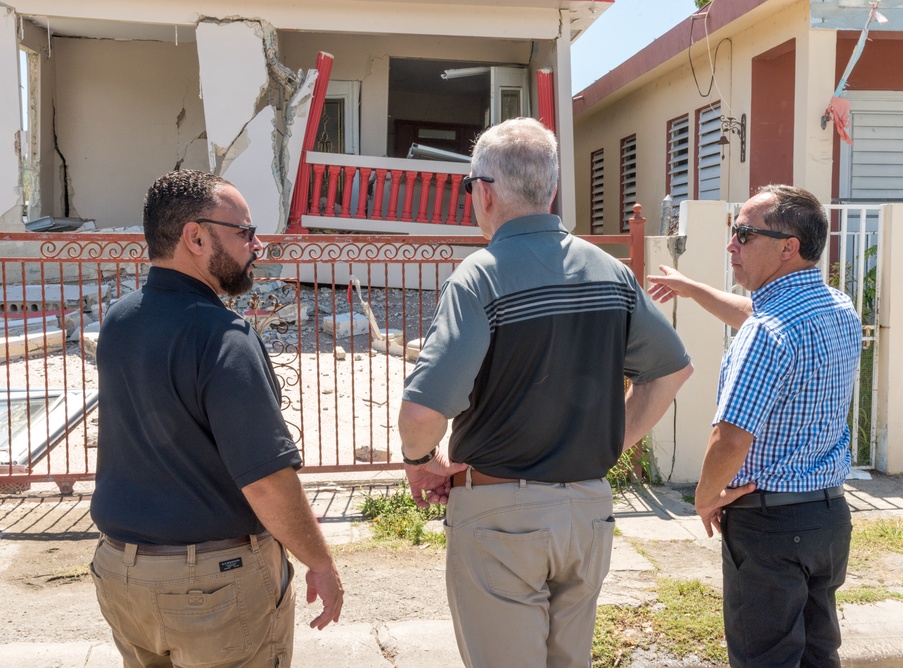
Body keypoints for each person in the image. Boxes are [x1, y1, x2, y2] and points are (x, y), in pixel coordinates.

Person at [397, 117, 693, 667]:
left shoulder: (480, 276)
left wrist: (419, 461)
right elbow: (672, 370)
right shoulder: (609, 272)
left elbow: (421, 412)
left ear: (482, 192)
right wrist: (611, 441)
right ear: (551, 188)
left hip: (500, 513)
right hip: (587, 511)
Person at [90, 170, 344, 667]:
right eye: (245, 233)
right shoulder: (224, 336)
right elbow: (267, 481)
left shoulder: (119, 320)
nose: (258, 245)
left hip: (121, 575)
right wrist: (320, 562)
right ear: (196, 237)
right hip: (212, 587)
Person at [648, 184, 862, 667]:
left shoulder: (766, 334)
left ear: (789, 247)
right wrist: (692, 287)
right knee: (817, 655)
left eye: (743, 234)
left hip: (770, 525)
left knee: (765, 659)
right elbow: (754, 311)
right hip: (827, 518)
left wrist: (704, 498)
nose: (731, 245)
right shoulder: (838, 309)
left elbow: (730, 438)